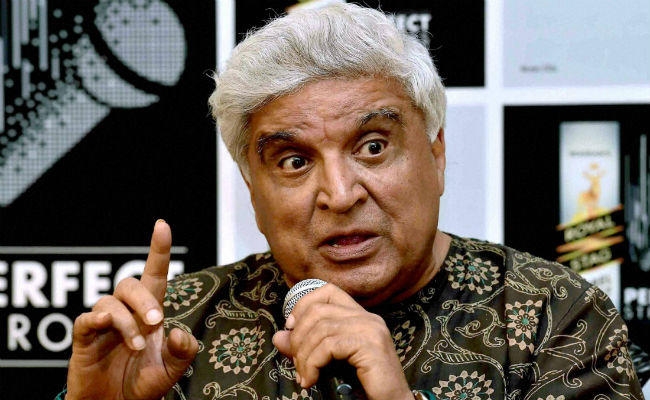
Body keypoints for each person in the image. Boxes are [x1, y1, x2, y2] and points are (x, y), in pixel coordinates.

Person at [59, 3, 643, 400]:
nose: (339, 195)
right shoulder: (171, 333)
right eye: (294, 161)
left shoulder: (553, 318)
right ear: (251, 190)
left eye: (372, 147)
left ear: (436, 155)